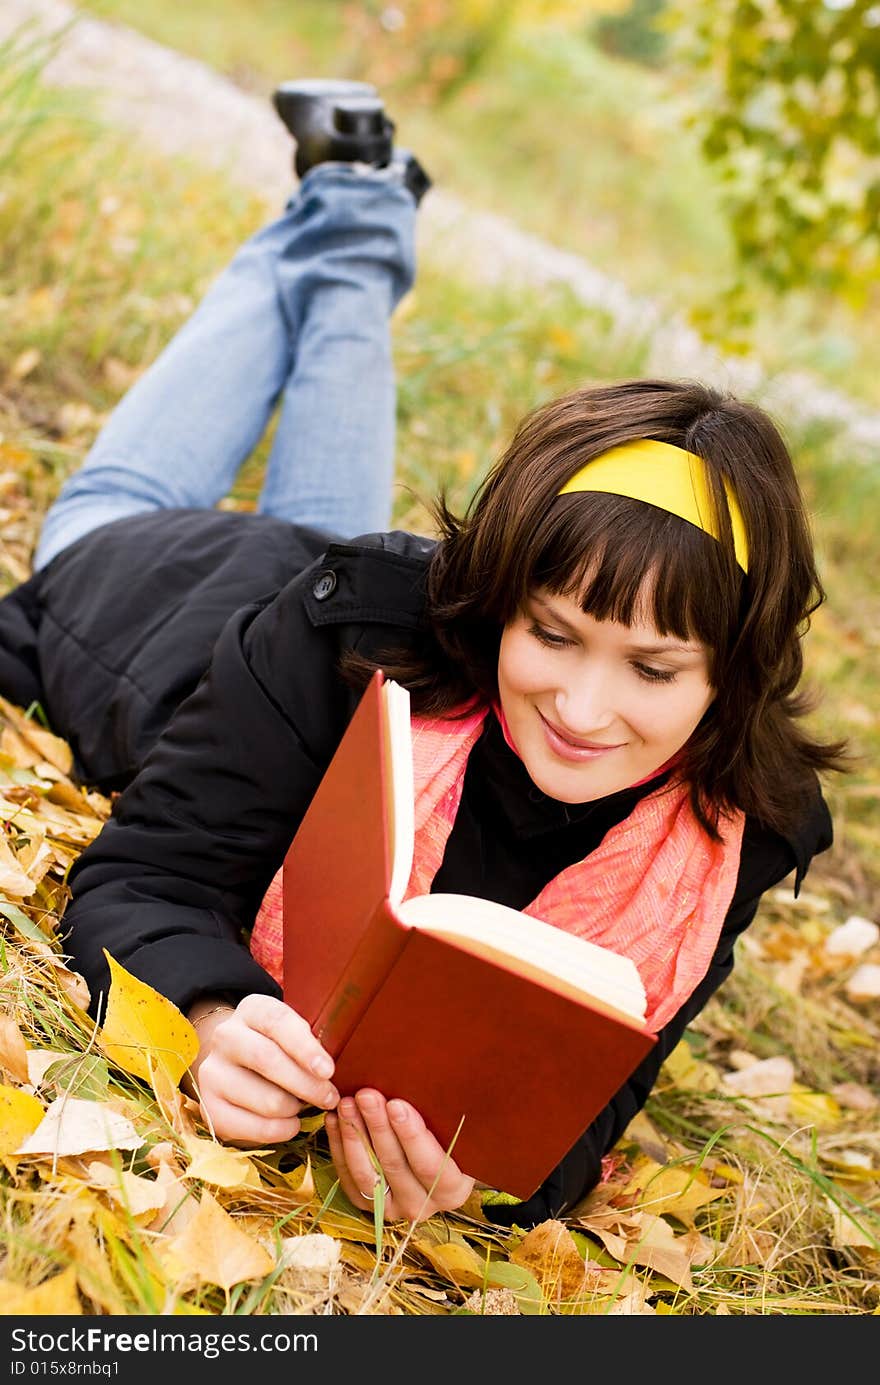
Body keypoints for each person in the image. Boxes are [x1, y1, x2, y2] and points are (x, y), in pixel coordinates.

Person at [0, 80, 843, 1229]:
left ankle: (351, 193)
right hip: (156, 606)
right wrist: (205, 1023)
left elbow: (594, 1102)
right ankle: (347, 202)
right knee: (113, 498)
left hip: (326, 578)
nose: (586, 706)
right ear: (498, 601)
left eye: (652, 668)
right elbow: (142, 876)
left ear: (729, 676)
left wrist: (486, 1177)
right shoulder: (350, 634)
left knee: (337, 530)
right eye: (550, 633)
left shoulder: (741, 824)